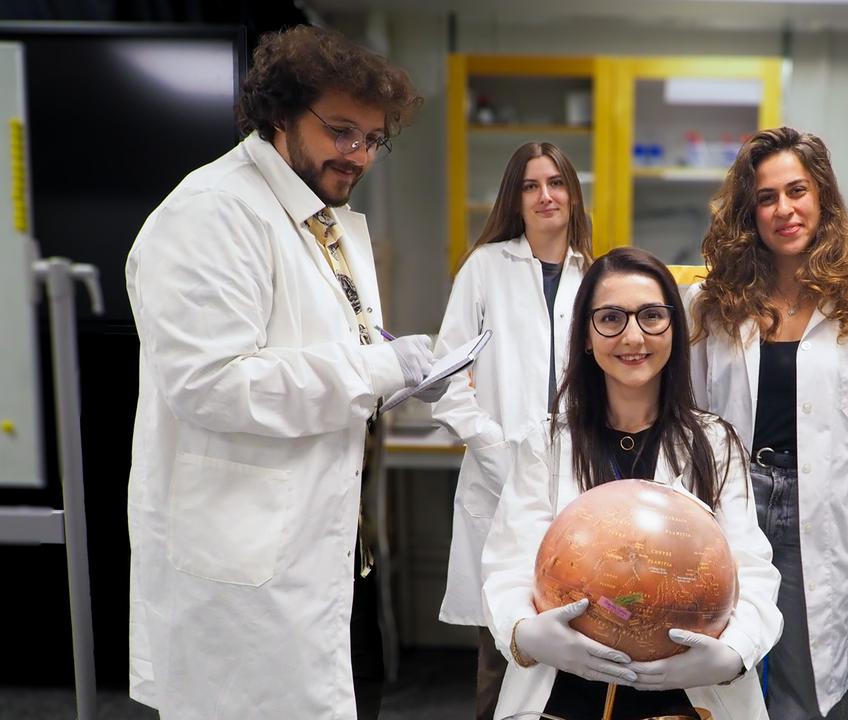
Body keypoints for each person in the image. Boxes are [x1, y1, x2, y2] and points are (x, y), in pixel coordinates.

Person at [124, 25, 433, 719]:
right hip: (247, 572)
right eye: (340, 131)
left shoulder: (324, 219)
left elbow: (331, 348)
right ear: (279, 114)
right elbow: (213, 385)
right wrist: (379, 367)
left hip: (332, 549)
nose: (358, 155)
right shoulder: (213, 213)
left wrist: (404, 374)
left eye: (373, 139)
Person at [482, 247, 783, 719]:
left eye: (651, 316)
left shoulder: (714, 443)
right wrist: (526, 632)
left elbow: (752, 571)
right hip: (563, 694)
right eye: (611, 318)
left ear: (674, 329)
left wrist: (732, 654)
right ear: (586, 336)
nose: (633, 336)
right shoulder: (546, 444)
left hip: (687, 696)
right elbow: (509, 567)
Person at [686, 126, 848, 719]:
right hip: (730, 497)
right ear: (749, 212)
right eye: (766, 197)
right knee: (717, 663)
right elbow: (694, 406)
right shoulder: (716, 303)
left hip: (815, 504)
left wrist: (830, 474)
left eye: (797, 190)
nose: (784, 209)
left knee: (801, 680)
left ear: (822, 197)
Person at [431, 141, 592, 720]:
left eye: (556, 182)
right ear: (515, 199)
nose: (545, 195)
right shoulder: (485, 268)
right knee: (504, 653)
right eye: (530, 185)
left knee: (579, 650)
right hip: (498, 482)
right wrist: (492, 444)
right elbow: (446, 375)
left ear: (572, 194)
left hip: (578, 484)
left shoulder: (594, 275)